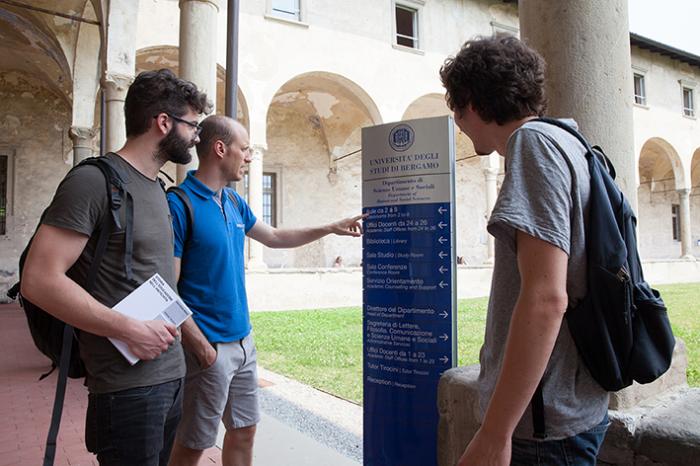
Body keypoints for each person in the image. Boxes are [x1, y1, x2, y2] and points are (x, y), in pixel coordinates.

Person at [21, 68, 212, 465]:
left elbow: (158, 281)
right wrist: (128, 329)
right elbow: (38, 280)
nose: (197, 136)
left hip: (170, 378)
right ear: (163, 123)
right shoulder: (93, 182)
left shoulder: (157, 187)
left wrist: (195, 345)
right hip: (126, 390)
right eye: (192, 125)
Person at [440, 34, 609, 465]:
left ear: (472, 105)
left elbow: (546, 298)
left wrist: (495, 434)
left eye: (456, 109)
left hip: (541, 423)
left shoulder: (531, 145)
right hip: (571, 403)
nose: (458, 122)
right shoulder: (571, 142)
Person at [167, 115, 364, 466]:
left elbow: (273, 237)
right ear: (220, 148)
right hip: (208, 347)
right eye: (244, 149)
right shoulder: (179, 204)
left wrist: (331, 227)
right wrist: (200, 345)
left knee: (244, 431)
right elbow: (167, 289)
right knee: (193, 444)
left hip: (244, 343)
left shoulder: (232, 201)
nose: (248, 156)